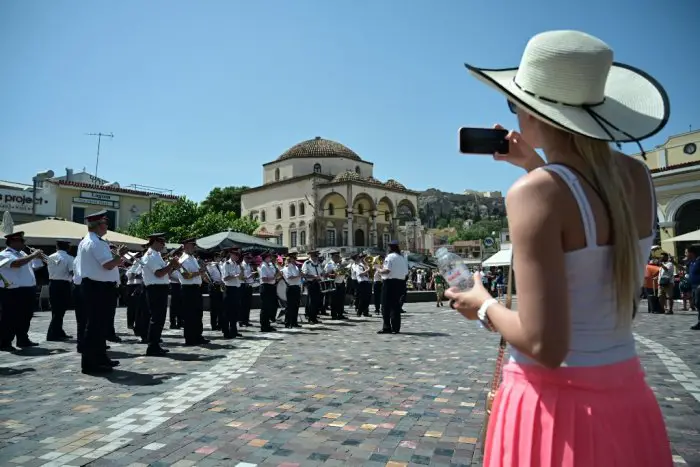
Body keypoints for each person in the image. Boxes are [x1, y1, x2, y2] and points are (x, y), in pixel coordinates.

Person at [445, 30, 672, 466]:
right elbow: (590, 215)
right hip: (627, 398)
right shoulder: (639, 179)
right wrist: (537, 164)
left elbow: (544, 345)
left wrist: (484, 304)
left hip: (552, 409)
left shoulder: (535, 193)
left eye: (514, 104)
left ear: (534, 111)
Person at [78, 211, 127, 373]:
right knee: (95, 326)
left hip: (97, 287)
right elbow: (108, 265)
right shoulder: (95, 243)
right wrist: (119, 256)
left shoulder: (93, 241)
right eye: (105, 223)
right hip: (97, 287)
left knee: (99, 325)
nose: (107, 226)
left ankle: (100, 357)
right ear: (98, 225)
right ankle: (91, 363)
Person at [0, 231, 45, 351]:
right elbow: (16, 264)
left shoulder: (23, 253)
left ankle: (23, 339)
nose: (24, 243)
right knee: (9, 317)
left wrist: (38, 257)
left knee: (25, 316)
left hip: (27, 290)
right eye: (22, 241)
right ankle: (4, 342)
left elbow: (36, 267)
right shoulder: (5, 254)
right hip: (13, 290)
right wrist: (33, 255)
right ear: (13, 241)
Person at [141, 233, 180, 356]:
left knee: (159, 319)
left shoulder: (157, 255)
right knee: (156, 319)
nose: (163, 245)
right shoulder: (151, 255)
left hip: (160, 288)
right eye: (162, 242)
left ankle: (155, 344)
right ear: (155, 242)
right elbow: (158, 273)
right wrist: (171, 265)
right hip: (155, 289)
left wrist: (172, 267)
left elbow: (165, 273)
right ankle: (152, 346)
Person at [177, 238, 209, 345]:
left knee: (198, 314)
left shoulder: (192, 258)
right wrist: (198, 273)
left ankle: (198, 335)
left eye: (194, 246)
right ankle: (190, 338)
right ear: (185, 246)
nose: (194, 248)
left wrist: (202, 274)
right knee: (189, 315)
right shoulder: (183, 259)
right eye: (192, 245)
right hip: (188, 289)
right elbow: (185, 275)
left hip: (196, 288)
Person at [46, 239, 75, 341]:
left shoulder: (50, 257)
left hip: (53, 283)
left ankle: (58, 331)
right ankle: (52, 333)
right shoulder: (69, 258)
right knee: (60, 310)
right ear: (68, 247)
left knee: (56, 310)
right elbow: (72, 272)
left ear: (57, 247)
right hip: (63, 284)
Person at [378, 240, 408, 334]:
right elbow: (406, 272)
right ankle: (396, 327)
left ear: (390, 248)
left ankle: (387, 327)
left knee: (386, 306)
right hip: (401, 283)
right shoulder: (402, 258)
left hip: (390, 283)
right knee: (396, 306)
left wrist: (378, 269)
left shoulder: (390, 257)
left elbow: (387, 271)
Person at [220, 247, 242, 337]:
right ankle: (226, 331)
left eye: (238, 255)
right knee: (227, 312)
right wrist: (235, 275)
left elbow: (239, 277)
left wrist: (239, 276)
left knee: (235, 311)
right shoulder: (227, 264)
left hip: (236, 289)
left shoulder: (236, 264)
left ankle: (234, 330)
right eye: (236, 255)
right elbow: (225, 278)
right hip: (229, 289)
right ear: (231, 254)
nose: (237, 256)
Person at [301, 250, 324, 324]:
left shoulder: (318, 263)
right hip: (311, 283)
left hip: (317, 283)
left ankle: (314, 317)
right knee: (311, 301)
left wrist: (323, 274)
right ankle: (311, 318)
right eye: (315, 256)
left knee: (317, 301)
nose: (316, 257)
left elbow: (321, 272)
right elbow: (304, 274)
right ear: (311, 256)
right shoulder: (307, 263)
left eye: (317, 256)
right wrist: (313, 276)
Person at [258, 250, 278, 332]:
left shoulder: (269, 265)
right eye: (269, 257)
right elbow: (264, 278)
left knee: (269, 307)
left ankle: (267, 325)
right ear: (266, 258)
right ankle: (264, 326)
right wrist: (273, 278)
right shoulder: (263, 266)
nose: (271, 258)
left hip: (271, 287)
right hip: (265, 287)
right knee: (265, 308)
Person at [282, 249, 302, 328]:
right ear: (290, 259)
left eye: (295, 258)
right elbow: (289, 277)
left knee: (296, 306)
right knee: (290, 306)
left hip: (296, 287)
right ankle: (287, 323)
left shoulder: (296, 267)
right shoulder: (287, 268)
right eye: (293, 258)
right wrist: (298, 276)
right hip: (291, 288)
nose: (295, 260)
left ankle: (294, 322)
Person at [239, 252, 255, 327]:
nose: (249, 260)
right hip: (243, 285)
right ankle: (241, 320)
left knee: (248, 304)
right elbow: (241, 277)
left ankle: (246, 320)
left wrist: (253, 275)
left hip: (249, 285)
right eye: (248, 258)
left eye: (250, 258)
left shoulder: (249, 265)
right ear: (244, 258)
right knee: (243, 304)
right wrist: (250, 276)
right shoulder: (241, 265)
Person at [687, 245, 700, 330]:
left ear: (691, 253)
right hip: (694, 286)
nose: (686, 254)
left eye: (686, 252)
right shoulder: (692, 262)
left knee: (698, 303)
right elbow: (686, 270)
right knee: (697, 304)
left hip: (699, 286)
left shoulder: (699, 261)